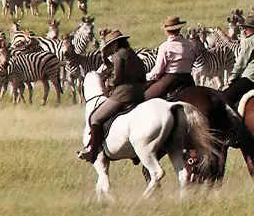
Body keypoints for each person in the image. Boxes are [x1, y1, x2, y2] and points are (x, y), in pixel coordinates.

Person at [77, 31, 148, 163]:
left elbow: (116, 78)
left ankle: (93, 151)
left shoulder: (118, 56)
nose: (109, 49)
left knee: (95, 117)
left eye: (110, 46)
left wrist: (108, 83)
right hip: (139, 93)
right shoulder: (134, 55)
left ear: (115, 43)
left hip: (123, 95)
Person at [143, 16, 196, 100]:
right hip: (188, 79)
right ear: (179, 29)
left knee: (144, 98)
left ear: (167, 32)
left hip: (170, 80)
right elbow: (192, 61)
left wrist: (148, 77)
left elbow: (158, 70)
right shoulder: (189, 44)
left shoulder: (165, 47)